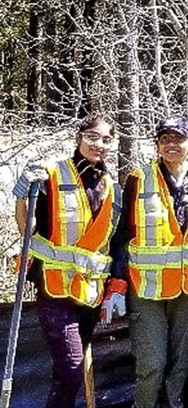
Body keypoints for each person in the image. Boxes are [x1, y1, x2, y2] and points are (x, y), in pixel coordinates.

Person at [107, 115, 188, 408]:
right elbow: (122, 235)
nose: (171, 144)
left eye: (178, 138)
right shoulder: (138, 178)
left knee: (178, 363)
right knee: (153, 363)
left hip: (187, 289)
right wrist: (117, 287)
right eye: (165, 139)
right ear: (157, 144)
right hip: (145, 288)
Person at [12, 114, 122, 408]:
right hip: (54, 288)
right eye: (92, 137)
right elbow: (27, 229)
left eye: (106, 139)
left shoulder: (111, 187)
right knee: (72, 368)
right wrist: (23, 196)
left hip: (89, 293)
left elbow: (110, 243)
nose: (99, 144)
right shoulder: (51, 174)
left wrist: (115, 289)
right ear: (79, 138)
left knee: (66, 375)